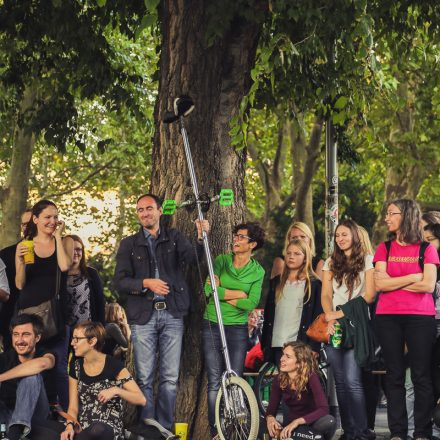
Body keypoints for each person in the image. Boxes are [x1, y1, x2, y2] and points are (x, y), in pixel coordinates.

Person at [113, 193, 209, 431]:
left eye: (148, 209)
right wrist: (146, 283)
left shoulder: (174, 237)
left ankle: (164, 428)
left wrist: (200, 237)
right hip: (143, 317)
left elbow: (196, 261)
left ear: (159, 211)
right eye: (140, 210)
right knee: (144, 378)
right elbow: (120, 282)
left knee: (169, 379)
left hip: (172, 314)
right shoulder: (129, 244)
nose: (144, 213)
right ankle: (148, 427)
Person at [374, 199, 439, 440]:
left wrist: (394, 283)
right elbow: (379, 284)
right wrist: (413, 276)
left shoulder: (426, 249)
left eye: (391, 213)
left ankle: (422, 432)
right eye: (387, 213)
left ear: (406, 215)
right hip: (388, 317)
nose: (386, 218)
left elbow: (429, 284)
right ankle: (398, 433)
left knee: (421, 375)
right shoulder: (385, 248)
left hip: (420, 318)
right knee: (394, 376)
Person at [203, 221, 265, 437]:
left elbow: (252, 303)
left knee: (235, 378)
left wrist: (223, 292)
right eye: (236, 236)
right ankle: (215, 431)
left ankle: (235, 429)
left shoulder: (258, 271)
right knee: (214, 381)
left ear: (253, 244)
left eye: (241, 237)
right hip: (213, 323)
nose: (236, 240)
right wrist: (239, 294)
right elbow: (208, 290)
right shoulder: (221, 261)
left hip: (238, 328)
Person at [15, 199, 74, 410]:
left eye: (56, 217)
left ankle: (69, 416)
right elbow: (20, 284)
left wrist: (57, 236)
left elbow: (65, 266)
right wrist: (20, 263)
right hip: (29, 315)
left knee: (58, 368)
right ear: (36, 219)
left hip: (55, 315)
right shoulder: (25, 245)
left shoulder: (65, 241)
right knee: (31, 367)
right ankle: (38, 414)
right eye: (48, 217)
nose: (52, 221)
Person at [43, 321, 146, 440]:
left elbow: (141, 399)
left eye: (77, 339)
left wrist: (116, 390)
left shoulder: (114, 365)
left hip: (107, 427)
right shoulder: (76, 367)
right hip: (83, 427)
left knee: (98, 429)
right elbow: (73, 407)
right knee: (39, 426)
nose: (72, 343)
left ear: (92, 341)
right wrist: (69, 426)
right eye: (72, 338)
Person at [321, 219, 376, 440]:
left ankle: (362, 431)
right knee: (341, 382)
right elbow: (326, 294)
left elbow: (370, 295)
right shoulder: (330, 262)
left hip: (357, 324)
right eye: (337, 236)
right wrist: (329, 317)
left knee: (353, 380)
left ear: (354, 235)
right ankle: (349, 431)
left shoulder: (367, 260)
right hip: (334, 326)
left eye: (344, 234)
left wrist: (339, 313)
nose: (340, 239)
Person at [262, 238, 323, 366]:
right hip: (277, 343)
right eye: (288, 253)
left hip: (300, 344)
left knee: (300, 383)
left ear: (306, 258)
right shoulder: (276, 283)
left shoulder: (314, 284)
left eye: (297, 254)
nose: (291, 257)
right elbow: (268, 314)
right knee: (280, 383)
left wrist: (314, 346)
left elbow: (318, 316)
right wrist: (265, 344)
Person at [0, 314, 55, 440]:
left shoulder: (47, 354)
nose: (20, 340)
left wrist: (1, 378)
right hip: (7, 413)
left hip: (37, 413)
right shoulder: (4, 358)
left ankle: (14, 432)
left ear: (37, 337)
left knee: (31, 377)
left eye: (26, 334)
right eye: (16, 334)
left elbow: (42, 364)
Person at [266, 341, 336, 440]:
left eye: (288, 357)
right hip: (291, 425)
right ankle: (308, 436)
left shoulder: (311, 377)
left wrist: (297, 422)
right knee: (259, 424)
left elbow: (324, 409)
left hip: (312, 422)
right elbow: (271, 410)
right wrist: (270, 418)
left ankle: (301, 436)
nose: (282, 359)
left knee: (329, 420)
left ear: (299, 363)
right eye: (283, 355)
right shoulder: (279, 379)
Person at [0, 209, 31, 349]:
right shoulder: (6, 254)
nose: (28, 227)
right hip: (11, 318)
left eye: (31, 223)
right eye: (25, 224)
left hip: (44, 317)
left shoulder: (51, 253)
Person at [65, 234, 105, 327]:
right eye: (72, 249)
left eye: (78, 249)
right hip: (65, 330)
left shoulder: (91, 273)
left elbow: (100, 302)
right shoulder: (59, 275)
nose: (75, 252)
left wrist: (101, 328)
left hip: (87, 329)